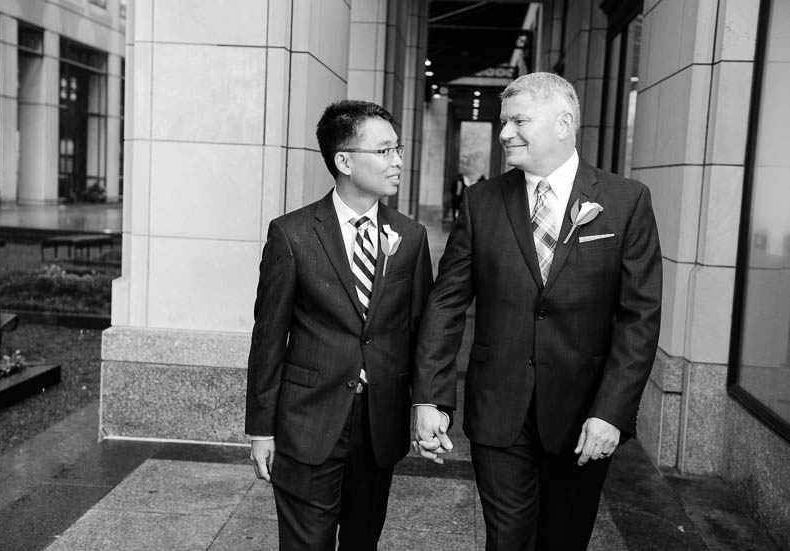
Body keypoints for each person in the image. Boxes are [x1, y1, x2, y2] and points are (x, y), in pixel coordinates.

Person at [412, 72, 662, 550]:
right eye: (504, 122)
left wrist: (611, 412)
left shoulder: (626, 201)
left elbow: (640, 318)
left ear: (564, 123)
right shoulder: (482, 200)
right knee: (507, 539)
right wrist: (430, 397)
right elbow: (446, 302)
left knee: (563, 540)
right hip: (497, 409)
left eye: (518, 120)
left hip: (582, 414)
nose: (505, 132)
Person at [245, 99, 433, 551]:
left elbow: (422, 331)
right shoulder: (292, 234)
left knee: (362, 541)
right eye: (384, 151)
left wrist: (427, 404)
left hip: (378, 425)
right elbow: (269, 335)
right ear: (344, 161)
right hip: (308, 420)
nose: (398, 162)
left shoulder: (410, 236)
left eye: (397, 149)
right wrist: (261, 430)